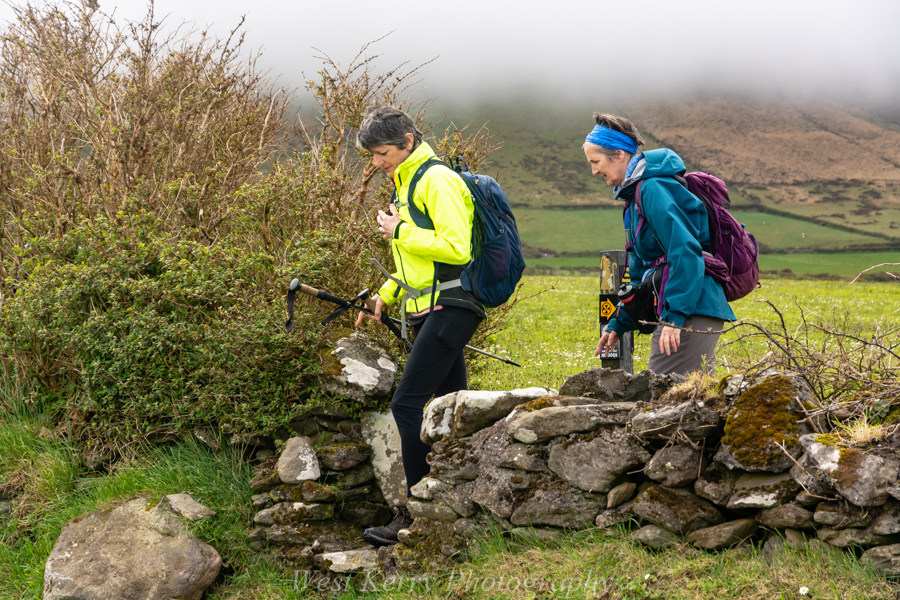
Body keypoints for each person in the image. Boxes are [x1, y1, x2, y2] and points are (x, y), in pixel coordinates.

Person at [354, 105, 483, 546]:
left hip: (453, 305)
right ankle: (457, 503)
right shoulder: (406, 182)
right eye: (372, 155)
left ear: (407, 142)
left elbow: (455, 248)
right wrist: (384, 296)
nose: (376, 162)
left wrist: (398, 232)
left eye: (381, 152)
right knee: (450, 408)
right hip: (431, 306)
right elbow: (413, 264)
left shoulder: (436, 179)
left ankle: (413, 515)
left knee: (408, 406)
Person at [585, 113, 735, 375]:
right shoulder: (635, 196)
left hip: (690, 308)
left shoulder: (652, 189)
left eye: (596, 161)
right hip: (685, 307)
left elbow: (685, 250)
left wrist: (675, 316)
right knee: (684, 400)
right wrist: (619, 322)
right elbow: (643, 270)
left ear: (619, 154)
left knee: (666, 399)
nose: (594, 170)